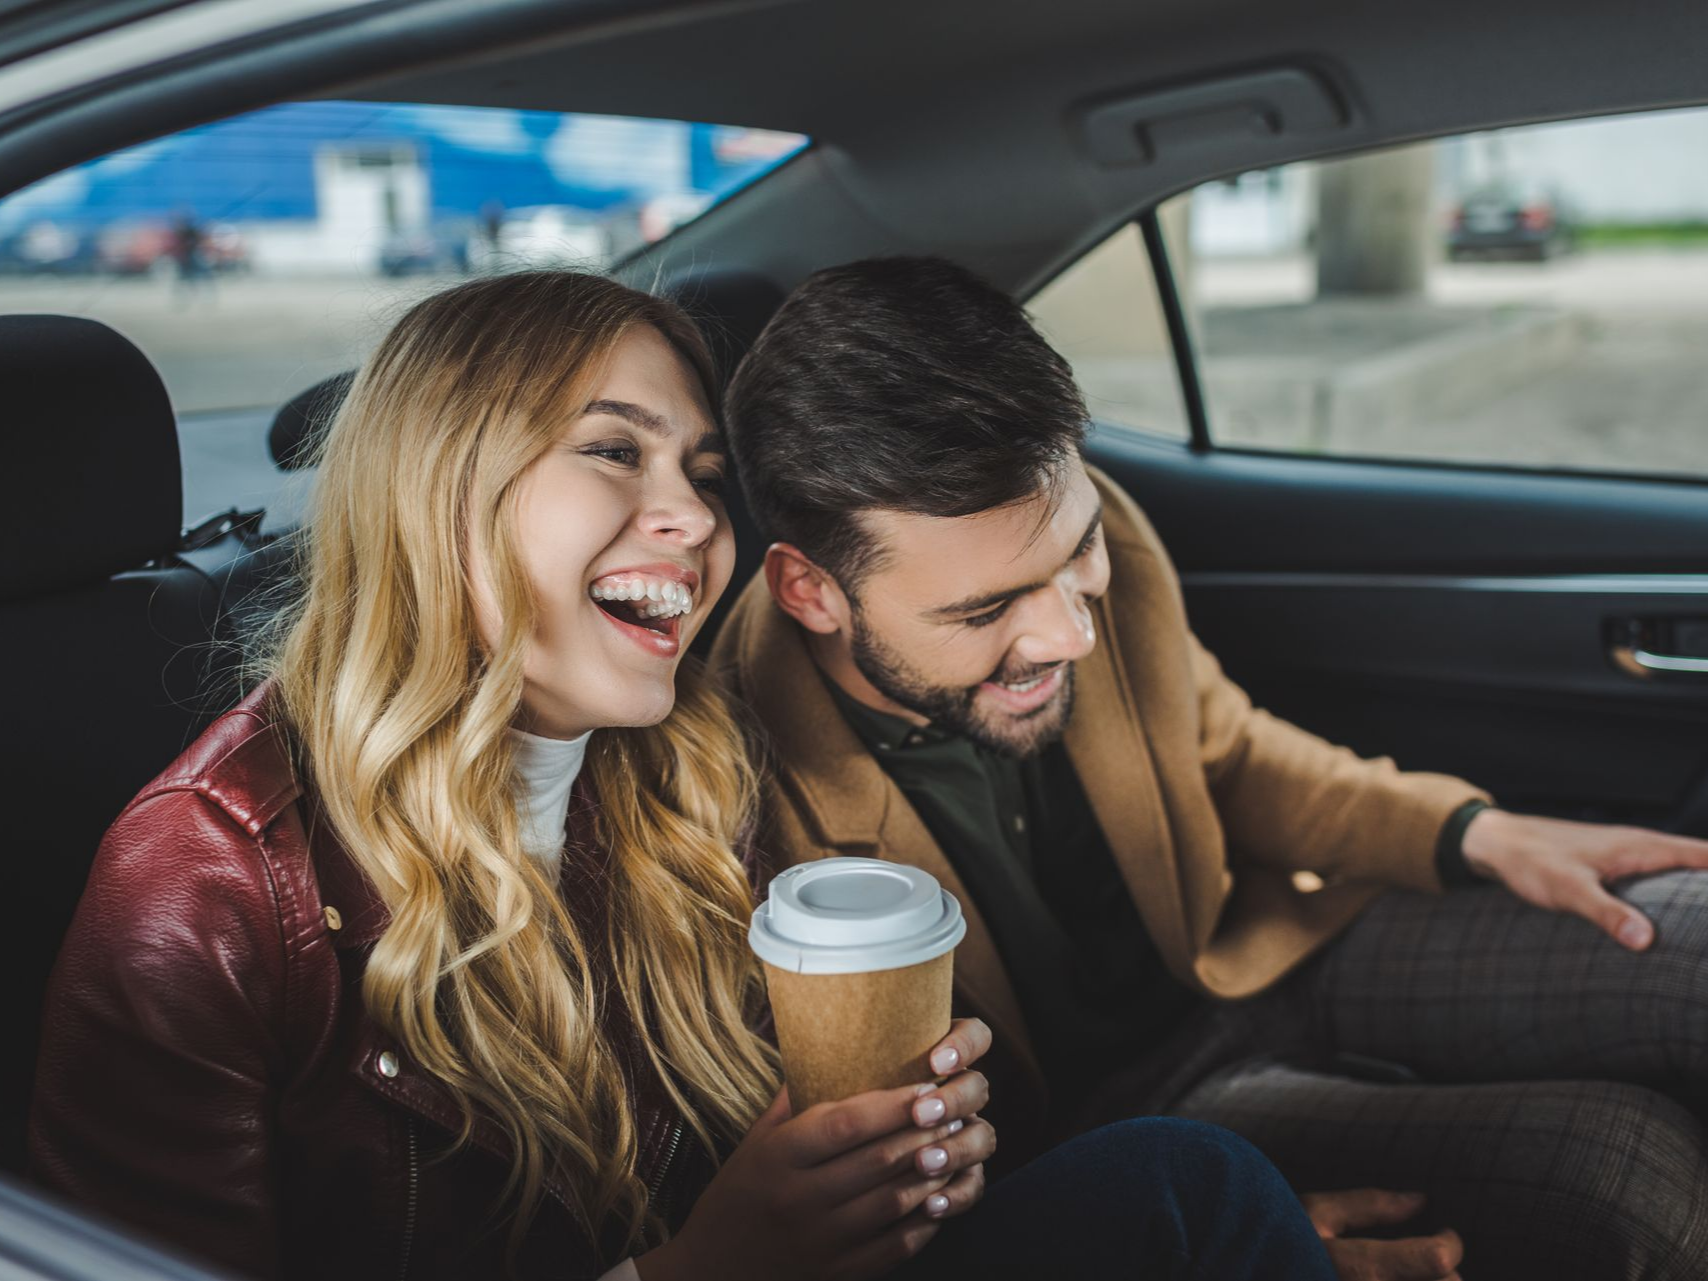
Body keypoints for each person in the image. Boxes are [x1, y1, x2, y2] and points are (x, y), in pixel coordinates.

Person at [29, 270, 1340, 1281]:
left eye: (706, 474)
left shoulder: (679, 773)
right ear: (443, 492)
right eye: (616, 450)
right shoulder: (198, 889)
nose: (697, 518)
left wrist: (898, 1170)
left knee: (1193, 1194)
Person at [709, 255, 1708, 1281]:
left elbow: (1225, 754)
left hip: (1257, 947)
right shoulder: (732, 794)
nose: (1068, 635)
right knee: (1629, 1178)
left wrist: (1473, 832)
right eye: (983, 611)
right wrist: (1201, 1241)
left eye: (1074, 557)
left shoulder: (1109, 540)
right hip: (1119, 1125)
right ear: (810, 592)